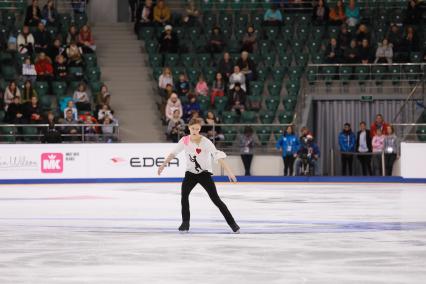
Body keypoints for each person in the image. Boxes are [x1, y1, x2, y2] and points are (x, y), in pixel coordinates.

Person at [157, 117, 240, 233]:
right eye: (192, 128)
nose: (195, 131)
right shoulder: (185, 140)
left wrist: (230, 173)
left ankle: (233, 224)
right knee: (184, 197)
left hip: (204, 174)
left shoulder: (206, 142)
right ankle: (185, 224)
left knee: (216, 199)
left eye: (197, 129)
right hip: (190, 174)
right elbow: (173, 153)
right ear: (189, 128)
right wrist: (163, 165)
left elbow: (218, 157)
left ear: (200, 128)